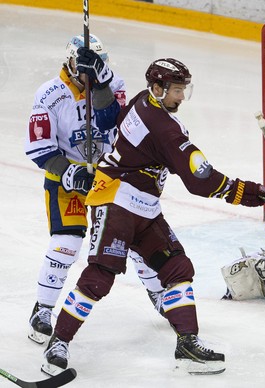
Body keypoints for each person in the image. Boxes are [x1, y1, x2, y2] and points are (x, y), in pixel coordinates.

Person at [41, 57, 265, 376]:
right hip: (117, 203)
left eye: (183, 90)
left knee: (177, 266)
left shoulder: (143, 102)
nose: (181, 97)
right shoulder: (165, 127)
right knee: (101, 275)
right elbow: (199, 179)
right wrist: (246, 192)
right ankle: (58, 341)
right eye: (177, 90)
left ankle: (187, 344)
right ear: (158, 88)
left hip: (145, 208)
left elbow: (119, 120)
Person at [24, 34, 165, 345]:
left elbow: (111, 122)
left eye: (98, 63)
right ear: (71, 62)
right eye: (86, 64)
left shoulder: (113, 84)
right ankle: (43, 308)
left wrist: (99, 83)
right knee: (66, 243)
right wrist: (72, 173)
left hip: (109, 179)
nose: (91, 69)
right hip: (68, 181)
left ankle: (159, 293)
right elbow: (39, 149)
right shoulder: (49, 94)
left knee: (137, 240)